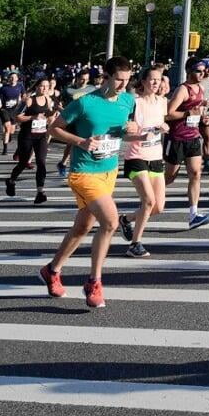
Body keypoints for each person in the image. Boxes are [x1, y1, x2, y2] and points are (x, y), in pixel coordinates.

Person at [38, 56, 142, 309]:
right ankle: (94, 282)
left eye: (127, 80)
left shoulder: (128, 101)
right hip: (83, 172)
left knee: (82, 228)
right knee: (110, 221)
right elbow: (54, 129)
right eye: (118, 79)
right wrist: (81, 141)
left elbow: (130, 132)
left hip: (109, 172)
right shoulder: (85, 102)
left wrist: (136, 130)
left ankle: (52, 270)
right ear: (105, 77)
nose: (122, 85)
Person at [118, 67, 170, 257]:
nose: (156, 83)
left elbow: (161, 125)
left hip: (156, 157)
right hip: (136, 157)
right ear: (144, 81)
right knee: (148, 201)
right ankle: (135, 244)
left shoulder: (162, 102)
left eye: (159, 80)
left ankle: (125, 219)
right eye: (152, 79)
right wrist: (140, 136)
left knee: (158, 207)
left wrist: (164, 127)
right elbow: (124, 136)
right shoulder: (135, 103)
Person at [163, 61, 209, 230]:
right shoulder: (183, 90)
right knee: (169, 177)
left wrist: (205, 118)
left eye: (204, 71)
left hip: (193, 137)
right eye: (198, 71)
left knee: (196, 173)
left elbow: (199, 112)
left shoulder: (201, 89)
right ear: (189, 71)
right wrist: (187, 113)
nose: (202, 74)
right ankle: (149, 196)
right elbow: (167, 115)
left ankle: (193, 214)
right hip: (177, 138)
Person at [7, 74, 58, 203]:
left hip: (41, 135)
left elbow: (50, 116)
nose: (44, 89)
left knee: (41, 162)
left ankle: (40, 192)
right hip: (27, 135)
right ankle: (11, 181)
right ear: (36, 87)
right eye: (42, 86)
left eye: (46, 86)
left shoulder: (48, 99)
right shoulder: (29, 100)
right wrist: (32, 117)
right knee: (23, 163)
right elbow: (17, 117)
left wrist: (51, 118)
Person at [0, 68, 25, 156]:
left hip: (14, 111)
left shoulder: (20, 86)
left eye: (14, 77)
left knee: (12, 131)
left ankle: (9, 136)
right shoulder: (3, 88)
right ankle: (5, 149)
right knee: (7, 128)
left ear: (17, 78)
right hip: (4, 110)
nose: (12, 79)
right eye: (11, 77)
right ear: (9, 79)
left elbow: (23, 96)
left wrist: (24, 101)